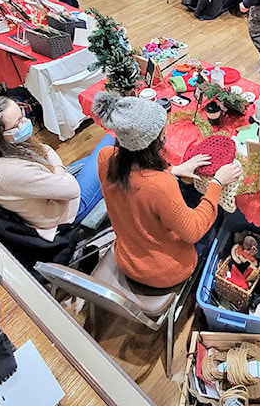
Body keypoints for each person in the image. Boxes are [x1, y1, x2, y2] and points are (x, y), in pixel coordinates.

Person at [92, 90, 242, 289]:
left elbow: (138, 181)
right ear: (153, 144)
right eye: (163, 136)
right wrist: (216, 183)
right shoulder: (159, 185)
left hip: (126, 258)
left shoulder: (105, 157)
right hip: (167, 272)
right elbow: (193, 231)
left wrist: (175, 170)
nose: (166, 138)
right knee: (217, 220)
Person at [0, 97, 109, 239]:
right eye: (17, 123)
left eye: (22, 115)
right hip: (68, 210)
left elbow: (46, 150)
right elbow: (71, 189)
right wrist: (59, 170)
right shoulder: (8, 171)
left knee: (106, 156)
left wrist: (57, 170)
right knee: (111, 140)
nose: (25, 123)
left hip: (56, 192)